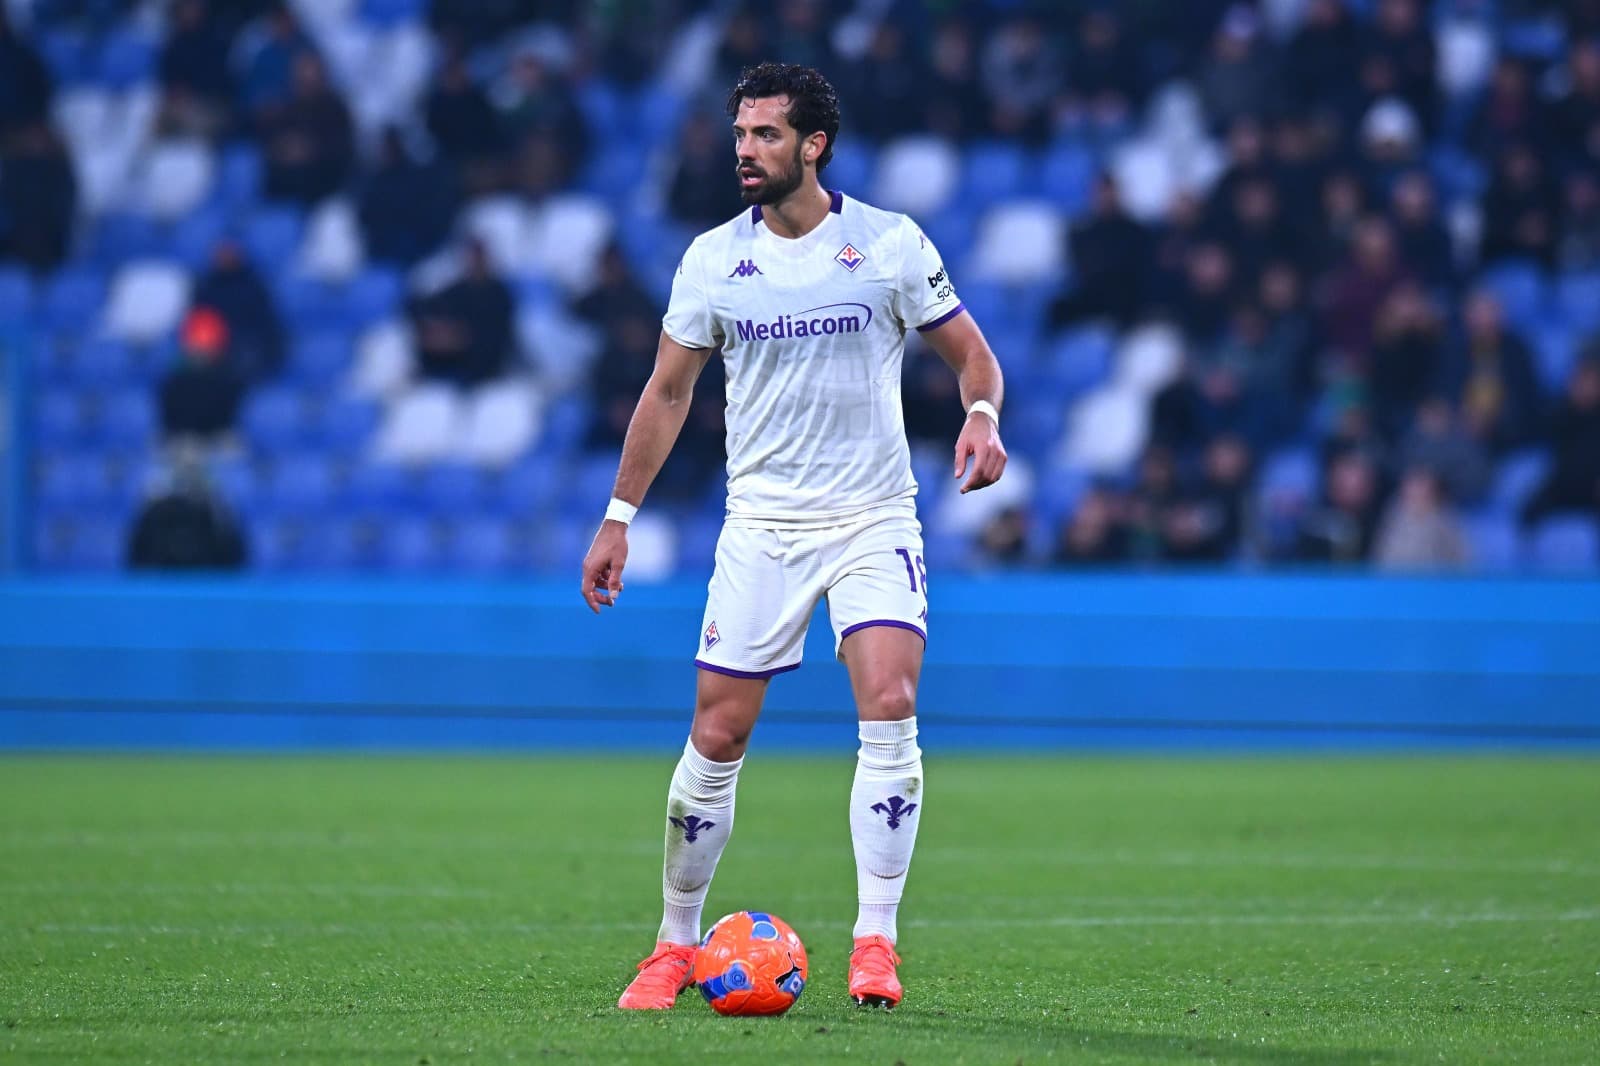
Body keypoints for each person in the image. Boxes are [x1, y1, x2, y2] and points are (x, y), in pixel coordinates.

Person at [580, 63, 1006, 1012]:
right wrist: (619, 517)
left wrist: (979, 412)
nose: (745, 150)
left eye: (766, 134)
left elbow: (972, 351)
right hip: (763, 526)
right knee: (717, 733)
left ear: (814, 145)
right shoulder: (711, 261)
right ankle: (674, 945)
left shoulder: (889, 245)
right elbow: (668, 393)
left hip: (873, 515)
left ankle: (876, 943)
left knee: (890, 702)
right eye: (740, 134)